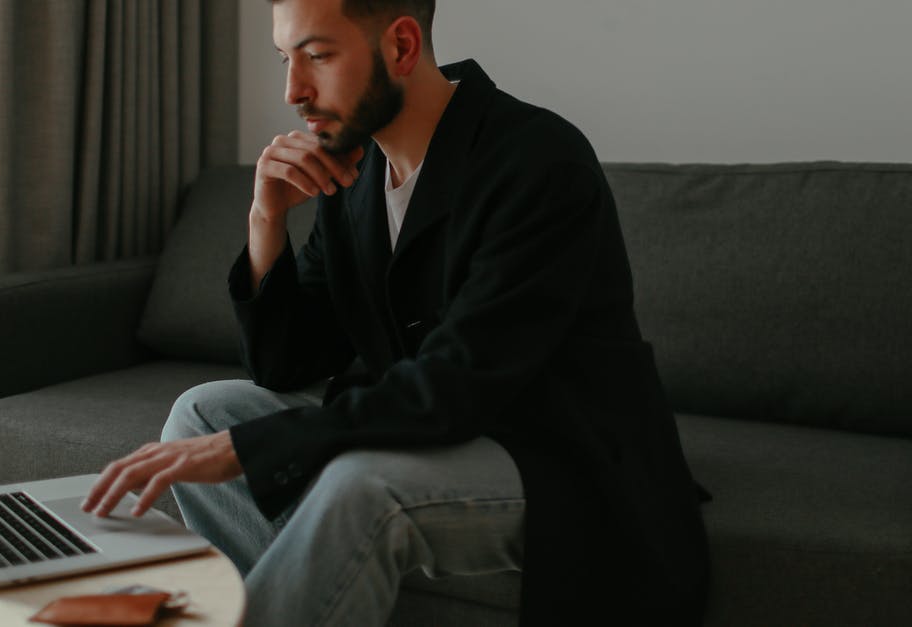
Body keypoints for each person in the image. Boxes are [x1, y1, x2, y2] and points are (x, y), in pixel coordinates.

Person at [82, 0, 709, 624]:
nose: (294, 91)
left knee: (363, 485)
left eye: (318, 56)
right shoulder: (354, 172)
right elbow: (284, 363)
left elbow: (456, 385)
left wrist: (254, 448)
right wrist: (265, 220)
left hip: (552, 449)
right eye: (285, 59)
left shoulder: (539, 160)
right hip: (434, 427)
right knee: (200, 414)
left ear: (402, 47)